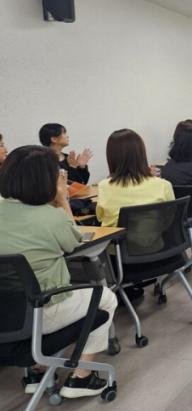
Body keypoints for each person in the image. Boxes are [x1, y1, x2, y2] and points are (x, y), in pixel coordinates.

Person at [0, 146, 117, 398]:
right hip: (41, 311)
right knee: (105, 297)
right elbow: (75, 242)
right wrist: (63, 201)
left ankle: (38, 371)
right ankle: (81, 377)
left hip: (5, 314)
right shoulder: (51, 218)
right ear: (47, 180)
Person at [96, 129, 174, 227]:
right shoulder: (163, 185)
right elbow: (172, 217)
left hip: (117, 237)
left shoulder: (104, 186)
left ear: (111, 156)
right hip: (154, 236)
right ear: (141, 153)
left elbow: (100, 217)